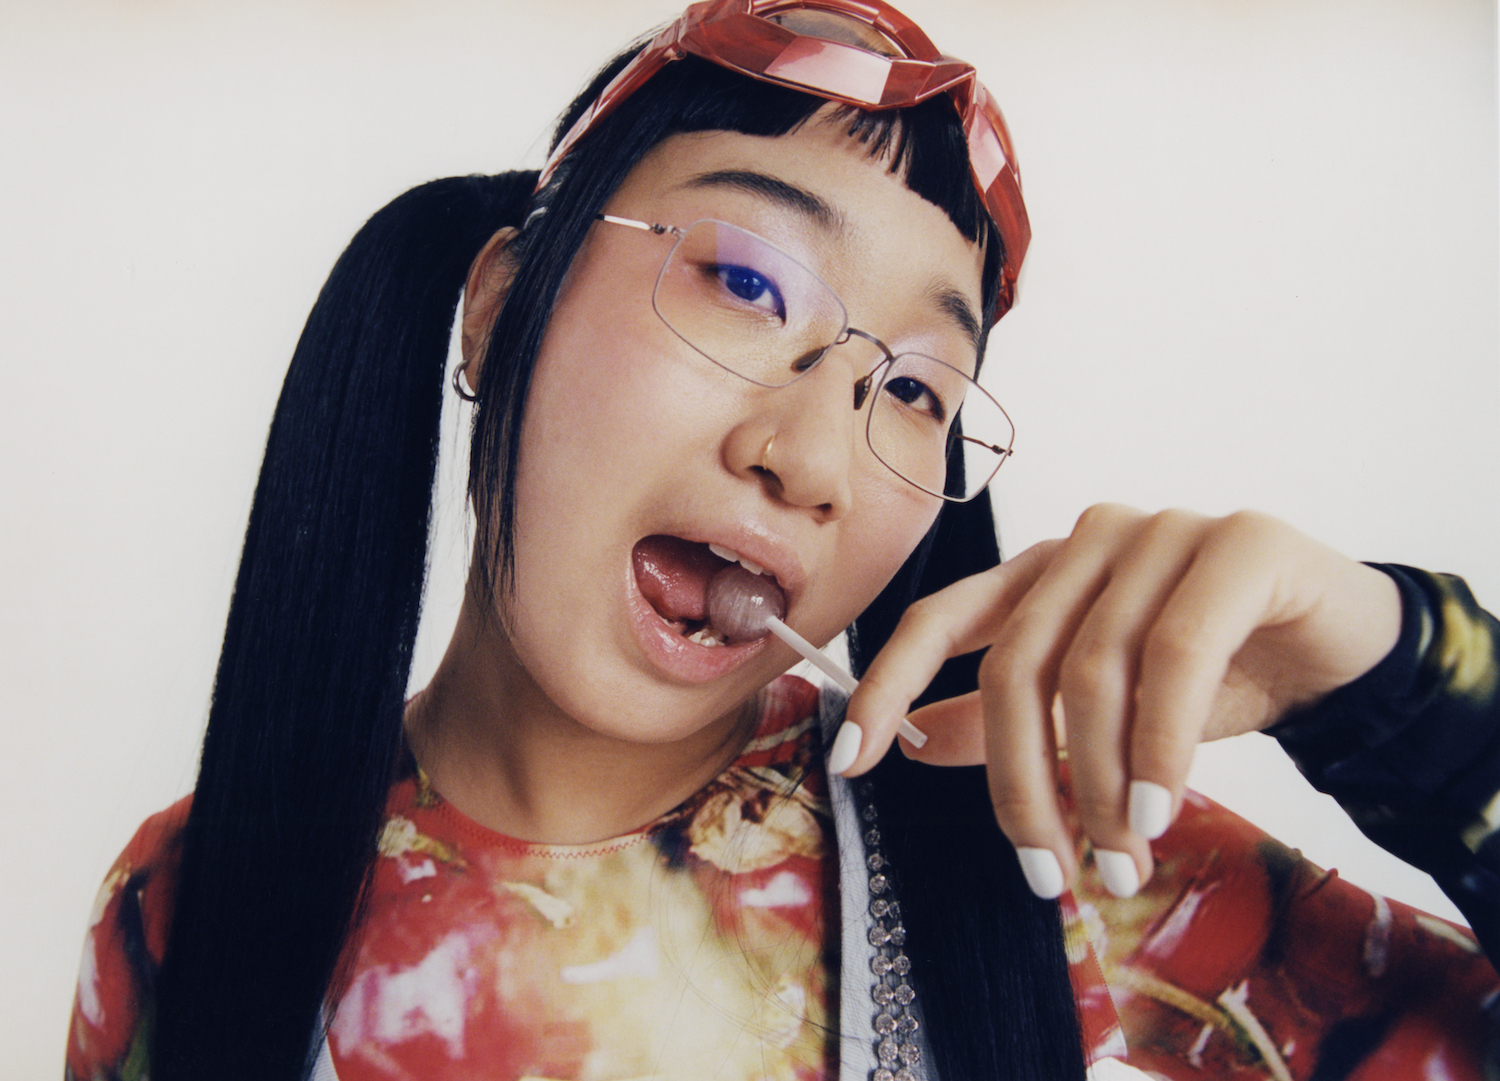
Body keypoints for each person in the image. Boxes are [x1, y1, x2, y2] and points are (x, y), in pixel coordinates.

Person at [60, 2, 1500, 1080]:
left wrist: (1407, 689)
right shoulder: (186, 905)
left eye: (916, 391)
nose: (810, 457)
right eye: (747, 284)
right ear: (498, 308)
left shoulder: (1043, 851)